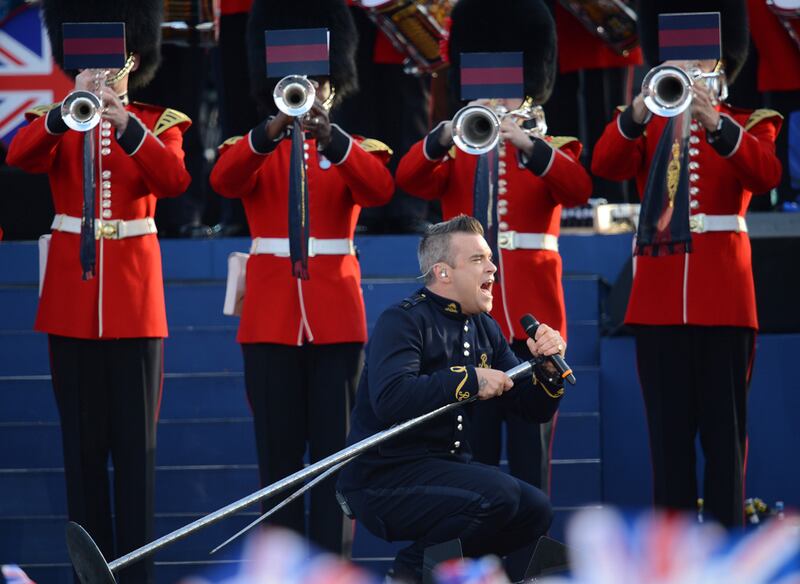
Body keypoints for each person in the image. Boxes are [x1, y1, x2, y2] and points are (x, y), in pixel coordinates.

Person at [5, 1, 191, 581]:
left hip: (134, 306)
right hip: (71, 305)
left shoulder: (160, 123)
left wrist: (126, 124)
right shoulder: (56, 118)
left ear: (134, 60)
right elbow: (19, 155)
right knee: (81, 456)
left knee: (137, 457)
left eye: (114, 62)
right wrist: (69, 110)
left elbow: (174, 179)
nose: (105, 71)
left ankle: (135, 575)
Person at [209, 0, 394, 555]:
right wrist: (272, 129)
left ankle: (331, 568)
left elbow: (378, 192)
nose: (308, 93)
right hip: (270, 320)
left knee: (339, 460)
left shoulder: (355, 149)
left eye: (319, 83)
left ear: (334, 88)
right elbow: (224, 182)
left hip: (336, 321)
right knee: (278, 462)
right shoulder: (252, 147)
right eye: (297, 86)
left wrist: (331, 138)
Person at [591, 0, 783, 528]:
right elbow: (605, 164)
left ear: (722, 65)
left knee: (725, 441)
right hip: (657, 304)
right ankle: (673, 553)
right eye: (682, 61)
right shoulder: (649, 123)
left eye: (701, 61)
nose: (691, 70)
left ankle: (727, 550)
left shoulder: (750, 123)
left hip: (724, 300)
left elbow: (765, 175)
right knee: (667, 444)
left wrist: (715, 122)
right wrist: (637, 111)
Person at [396, 0, 592, 492]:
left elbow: (578, 189)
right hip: (466, 332)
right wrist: (446, 132)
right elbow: (410, 178)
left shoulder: (550, 150)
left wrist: (526, 142)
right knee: (470, 462)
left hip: (531, 328)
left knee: (531, 463)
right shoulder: (458, 149)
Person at [336, 215, 567, 583]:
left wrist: (548, 372)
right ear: (443, 273)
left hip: (446, 474)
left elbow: (530, 408)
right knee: (499, 494)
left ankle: (463, 574)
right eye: (477, 260)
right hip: (383, 480)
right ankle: (408, 574)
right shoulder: (403, 321)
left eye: (489, 258)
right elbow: (391, 399)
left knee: (535, 509)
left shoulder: (484, 327)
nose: (492, 267)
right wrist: (470, 379)